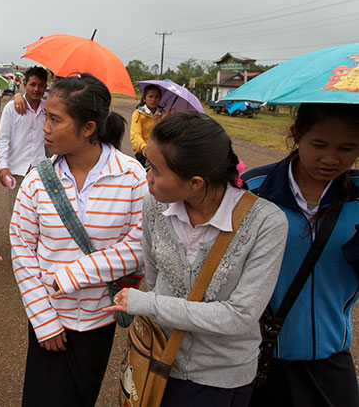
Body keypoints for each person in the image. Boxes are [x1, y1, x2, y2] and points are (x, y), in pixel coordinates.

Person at [105, 111, 288, 406]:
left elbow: (239, 317)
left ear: (196, 183)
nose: (146, 176)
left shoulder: (265, 223)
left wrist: (147, 304)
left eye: (155, 169)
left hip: (220, 379)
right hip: (158, 363)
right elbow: (153, 278)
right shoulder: (153, 205)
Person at [11, 74, 146, 406]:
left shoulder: (131, 177)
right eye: (46, 116)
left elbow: (141, 245)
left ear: (88, 128)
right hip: (48, 318)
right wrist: (43, 319)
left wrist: (70, 276)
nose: (45, 126)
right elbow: (22, 248)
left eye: (55, 119)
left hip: (100, 319)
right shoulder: (36, 180)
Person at [244, 103, 359, 407]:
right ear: (295, 135)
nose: (331, 158)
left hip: (328, 359)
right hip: (253, 357)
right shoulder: (253, 191)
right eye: (319, 145)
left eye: (348, 148)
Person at [0, 66, 48, 210]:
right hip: (17, 171)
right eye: (32, 84)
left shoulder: (48, 109)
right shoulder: (12, 108)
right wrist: (3, 166)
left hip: (42, 171)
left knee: (41, 214)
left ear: (46, 87)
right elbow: (2, 139)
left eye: (41, 85)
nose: (36, 89)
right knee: (17, 215)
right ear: (24, 85)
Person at [130, 84, 165, 166]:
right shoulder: (138, 114)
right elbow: (135, 134)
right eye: (150, 96)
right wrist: (143, 147)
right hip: (142, 151)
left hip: (158, 150)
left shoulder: (163, 114)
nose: (154, 100)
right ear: (144, 99)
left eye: (157, 97)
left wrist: (166, 120)